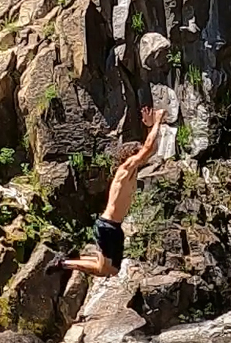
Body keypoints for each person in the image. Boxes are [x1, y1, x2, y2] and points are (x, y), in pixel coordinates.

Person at [46, 106, 166, 278]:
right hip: (107, 226)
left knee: (112, 270)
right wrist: (158, 122)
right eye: (138, 155)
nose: (143, 157)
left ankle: (73, 259)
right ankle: (64, 263)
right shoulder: (124, 170)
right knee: (105, 270)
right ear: (130, 157)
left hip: (114, 227)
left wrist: (149, 126)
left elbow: (150, 150)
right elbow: (147, 150)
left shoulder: (131, 172)